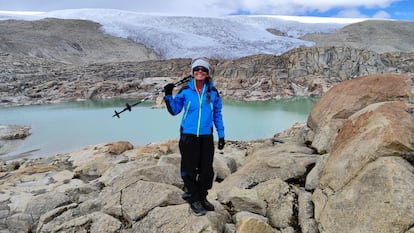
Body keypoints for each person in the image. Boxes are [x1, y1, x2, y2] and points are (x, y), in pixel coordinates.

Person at [163, 57, 225, 216]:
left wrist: (222, 134)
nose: (200, 72)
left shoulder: (213, 92)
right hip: (188, 136)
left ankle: (202, 196)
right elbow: (175, 110)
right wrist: (169, 95)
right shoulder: (185, 91)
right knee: (189, 169)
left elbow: (217, 114)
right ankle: (193, 198)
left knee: (206, 170)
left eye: (203, 70)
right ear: (192, 72)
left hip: (206, 136)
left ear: (207, 73)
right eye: (197, 69)